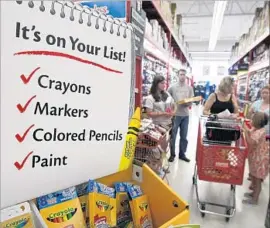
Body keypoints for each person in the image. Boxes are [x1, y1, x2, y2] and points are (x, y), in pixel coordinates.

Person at [242, 112, 269, 205]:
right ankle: (253, 193)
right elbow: (250, 131)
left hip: (259, 159)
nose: (251, 121)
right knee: (253, 175)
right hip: (255, 157)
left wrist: (245, 132)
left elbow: (250, 142)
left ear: (257, 122)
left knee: (257, 180)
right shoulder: (256, 129)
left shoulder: (259, 132)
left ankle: (255, 200)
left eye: (253, 120)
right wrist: (245, 127)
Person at [168, 69, 194, 162]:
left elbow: (191, 100)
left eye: (184, 75)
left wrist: (188, 103)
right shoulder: (172, 87)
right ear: (178, 75)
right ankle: (172, 154)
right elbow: (167, 98)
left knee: (184, 136)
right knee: (173, 136)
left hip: (185, 115)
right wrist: (172, 105)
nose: (182, 76)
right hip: (175, 115)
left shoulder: (189, 88)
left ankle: (182, 154)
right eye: (181, 74)